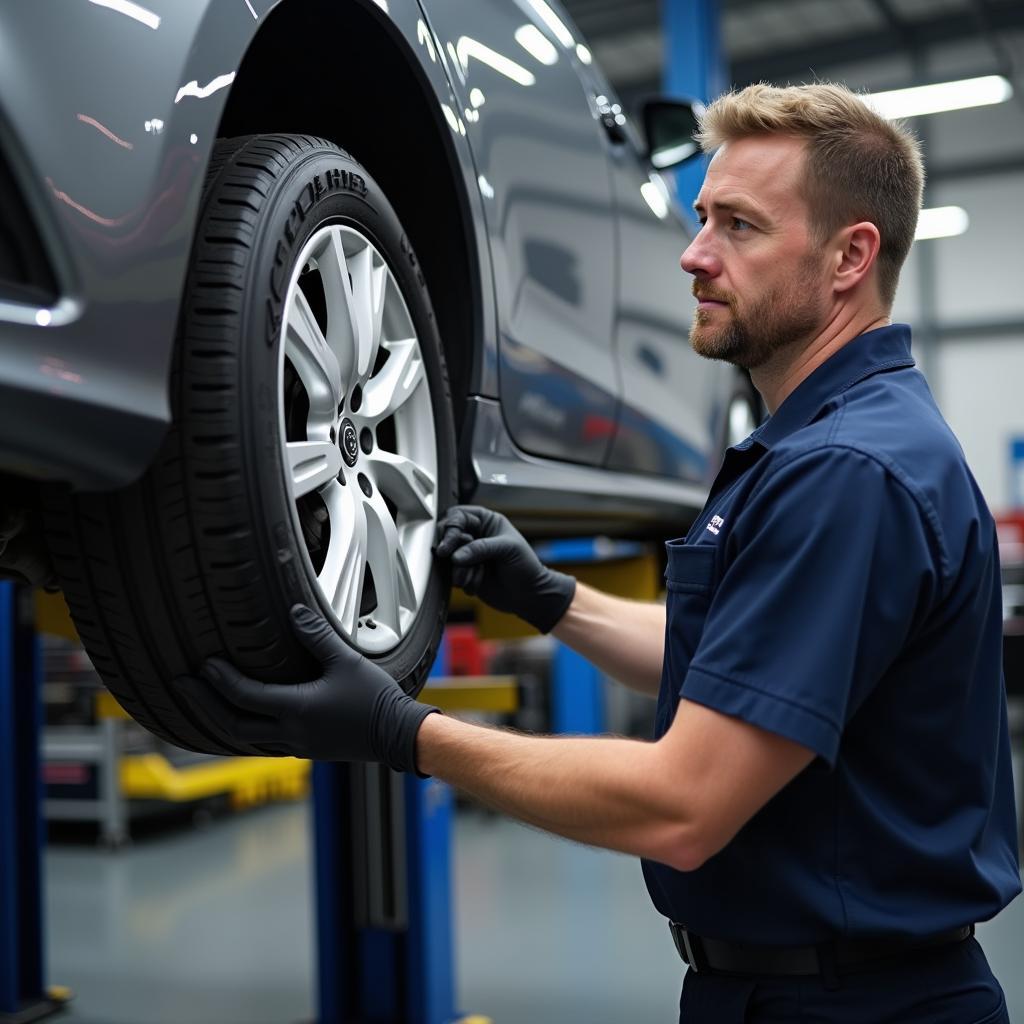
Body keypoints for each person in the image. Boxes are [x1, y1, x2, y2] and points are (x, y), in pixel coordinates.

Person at [176, 82, 1021, 1022]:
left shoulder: (847, 472)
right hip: (800, 988)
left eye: (739, 227)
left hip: (855, 1004)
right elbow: (748, 670)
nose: (695, 256)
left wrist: (403, 735)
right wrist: (552, 601)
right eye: (702, 218)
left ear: (849, 256)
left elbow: (684, 806)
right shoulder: (837, 442)